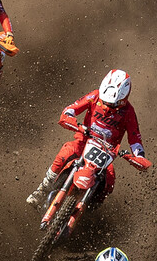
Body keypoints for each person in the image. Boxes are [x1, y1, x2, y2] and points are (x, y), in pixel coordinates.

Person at [28, 69, 148, 208]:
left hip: (106, 152)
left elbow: (135, 139)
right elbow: (70, 110)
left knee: (110, 179)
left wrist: (138, 156)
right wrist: (74, 122)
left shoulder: (128, 112)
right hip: (84, 141)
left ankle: (91, 210)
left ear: (123, 99)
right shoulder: (94, 96)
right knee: (66, 153)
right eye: (105, 102)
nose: (107, 106)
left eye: (112, 104)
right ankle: (41, 190)